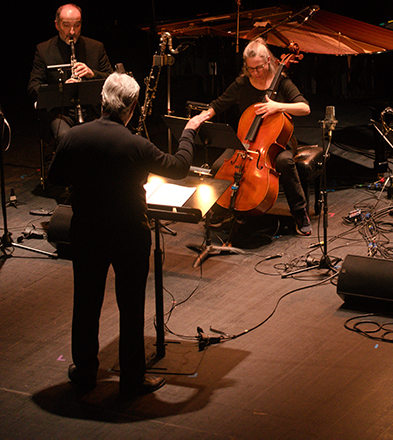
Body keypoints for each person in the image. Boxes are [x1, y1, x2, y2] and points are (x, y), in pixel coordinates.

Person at [47, 73, 204, 397]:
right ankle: (132, 379)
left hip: (87, 229)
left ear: (102, 100)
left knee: (86, 302)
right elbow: (178, 167)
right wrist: (187, 132)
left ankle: (86, 371)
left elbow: (55, 178)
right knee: (130, 306)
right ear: (132, 106)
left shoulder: (74, 136)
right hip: (128, 232)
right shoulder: (135, 144)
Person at [188, 38, 313, 235]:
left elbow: (305, 108)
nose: (255, 72)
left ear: (269, 62)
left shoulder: (282, 82)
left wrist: (277, 106)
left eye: (259, 68)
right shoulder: (242, 84)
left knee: (285, 162)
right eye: (250, 68)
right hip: (246, 139)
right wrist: (201, 118)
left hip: (278, 142)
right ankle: (222, 208)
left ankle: (299, 211)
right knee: (219, 166)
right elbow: (219, 104)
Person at [28, 3, 114, 143]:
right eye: (66, 25)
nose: (72, 32)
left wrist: (93, 74)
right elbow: (33, 87)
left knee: (103, 136)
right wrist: (62, 89)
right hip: (60, 113)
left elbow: (113, 80)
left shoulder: (96, 47)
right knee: (67, 137)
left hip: (92, 111)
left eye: (77, 25)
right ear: (57, 25)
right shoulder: (43, 50)